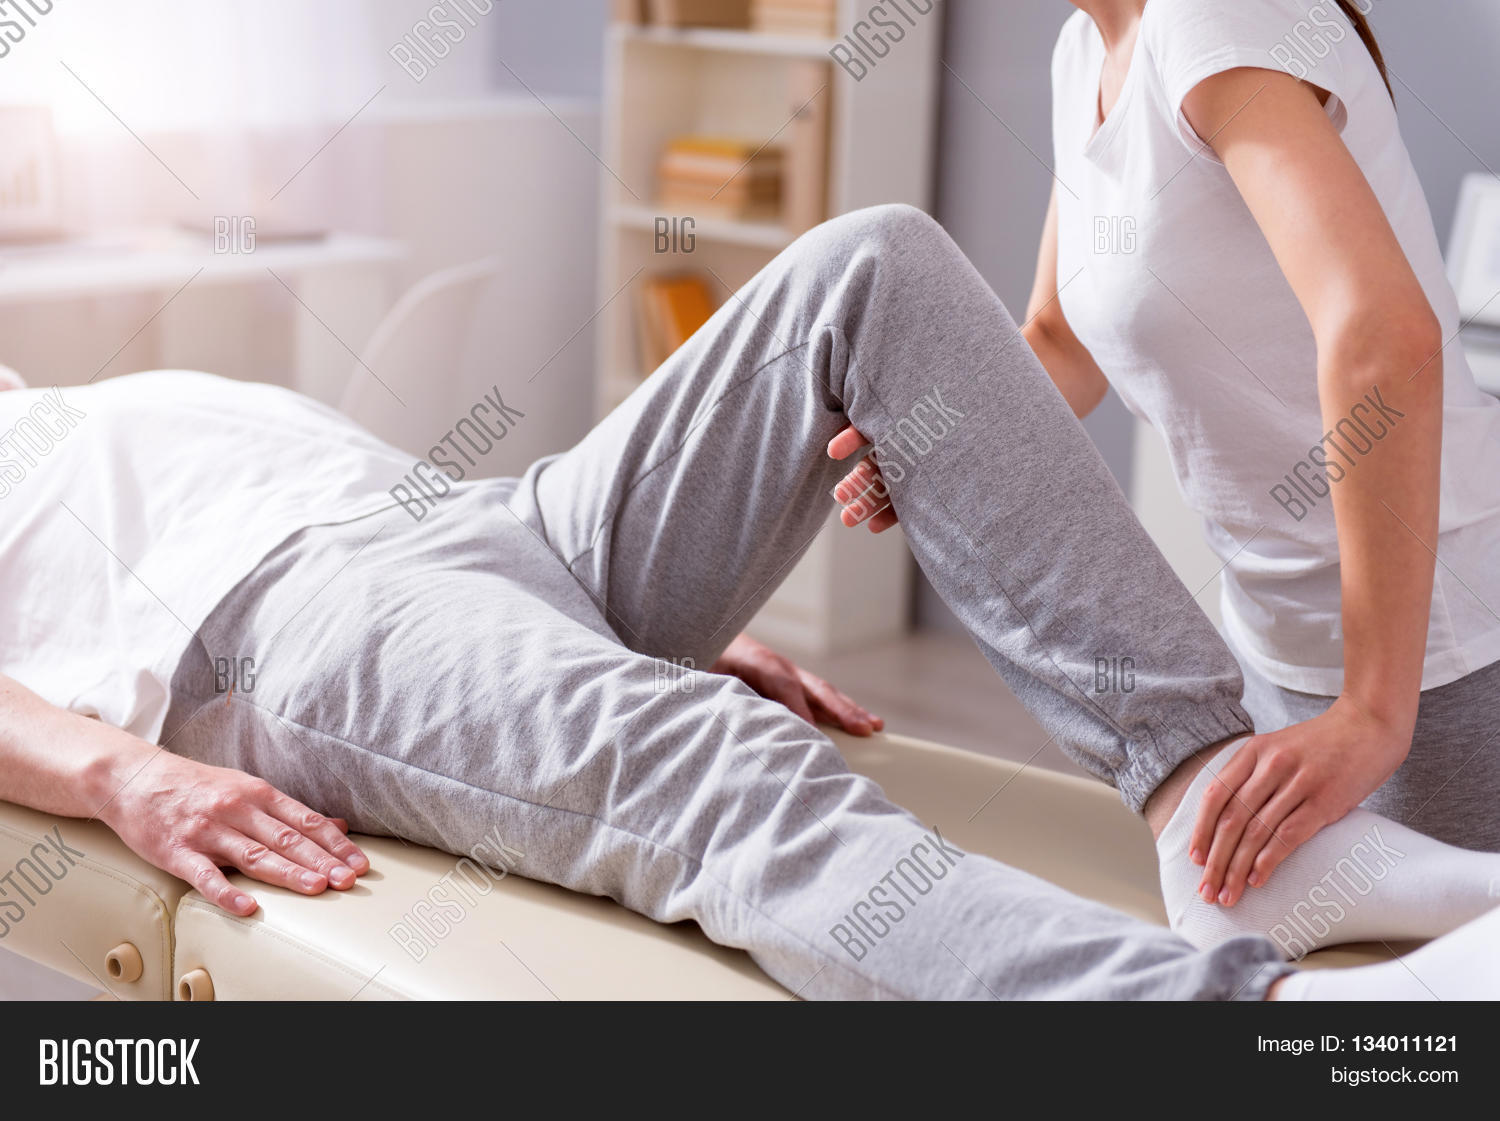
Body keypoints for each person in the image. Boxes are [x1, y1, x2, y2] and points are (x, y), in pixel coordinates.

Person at [2, 202, 1497, 1000]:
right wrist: (120, 770)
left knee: (872, 268)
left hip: (492, 525)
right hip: (288, 627)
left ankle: (1200, 803)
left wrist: (585, 620)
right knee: (719, 767)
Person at [834, 0, 1500, 944]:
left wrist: (1372, 710)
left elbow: (1385, 334)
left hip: (1440, 657)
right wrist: (936, 444)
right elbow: (1061, 341)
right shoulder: (1085, 54)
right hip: (1274, 654)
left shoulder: (1208, 15)